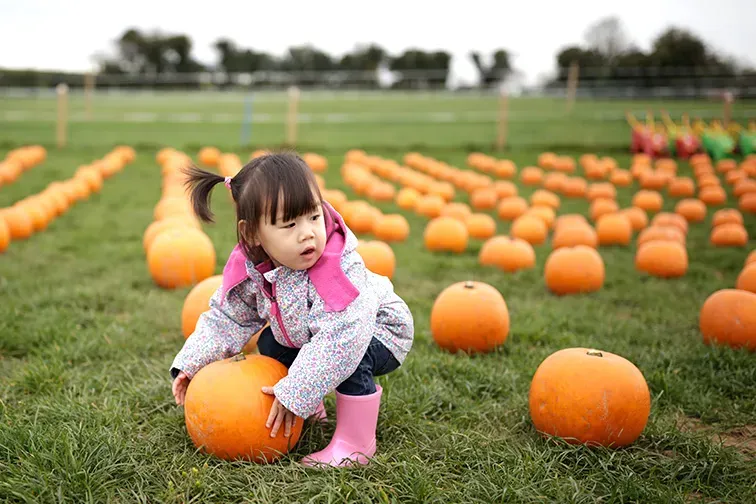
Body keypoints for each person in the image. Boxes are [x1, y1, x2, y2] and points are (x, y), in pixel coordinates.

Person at [169, 151, 414, 468]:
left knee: (354, 356)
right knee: (270, 342)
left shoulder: (337, 270)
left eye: (314, 216)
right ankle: (311, 411)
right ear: (252, 234)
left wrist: (298, 391)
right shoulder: (253, 269)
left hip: (379, 332)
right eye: (289, 224)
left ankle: (356, 444)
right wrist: (192, 363)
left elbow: (343, 337)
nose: (308, 232)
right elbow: (227, 318)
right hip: (315, 334)